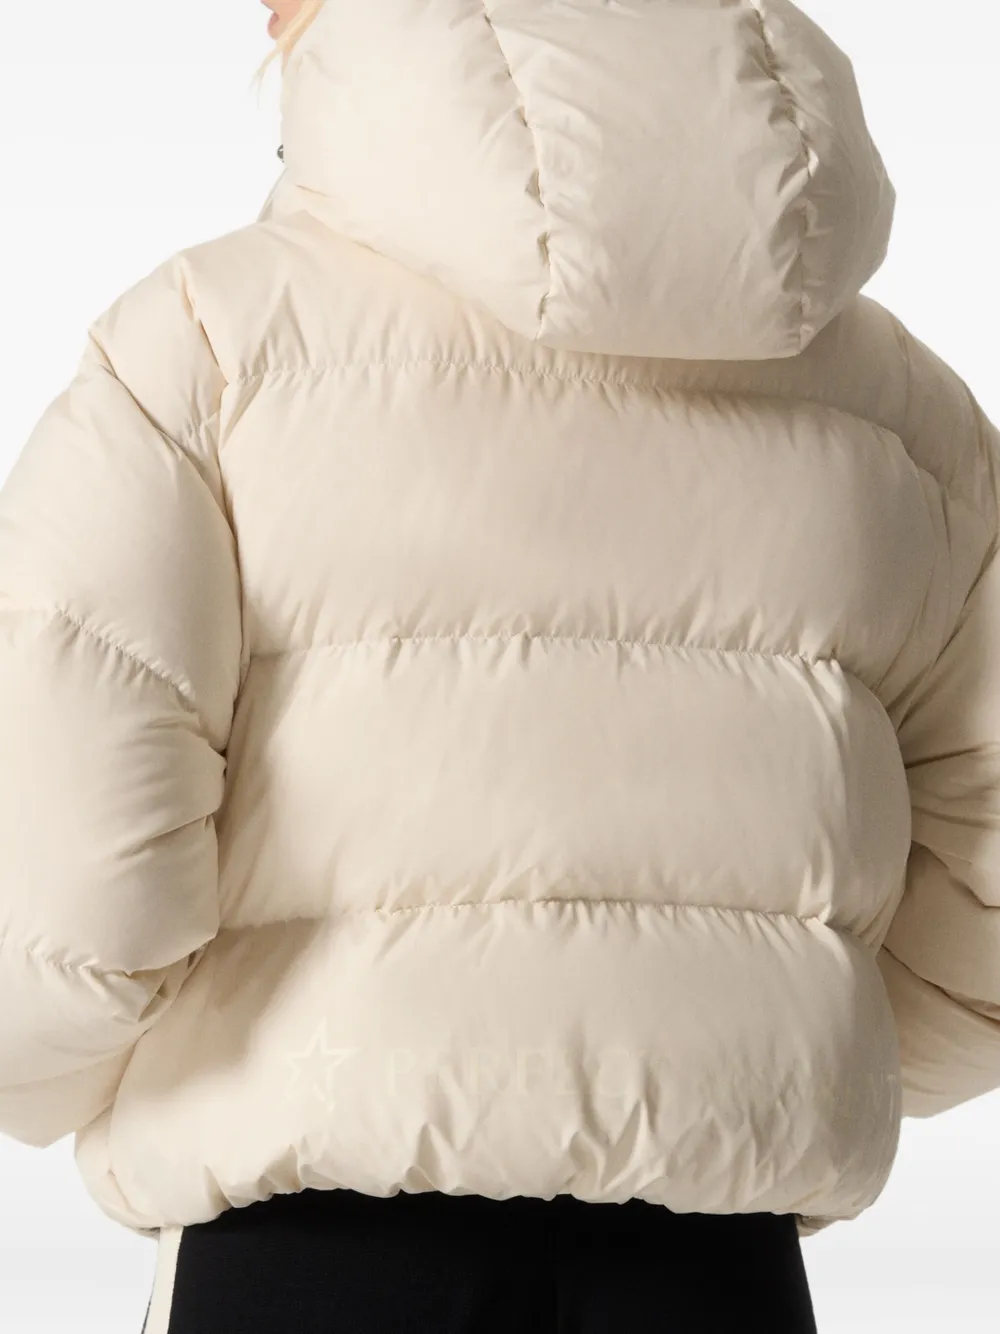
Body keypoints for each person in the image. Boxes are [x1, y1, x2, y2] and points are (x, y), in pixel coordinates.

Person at [0, 0, 998, 1330]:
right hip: (721, 1271)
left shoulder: (203, 353)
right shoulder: (907, 415)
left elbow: (65, 895)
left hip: (311, 1249)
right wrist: (764, 1049)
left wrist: (88, 1085)